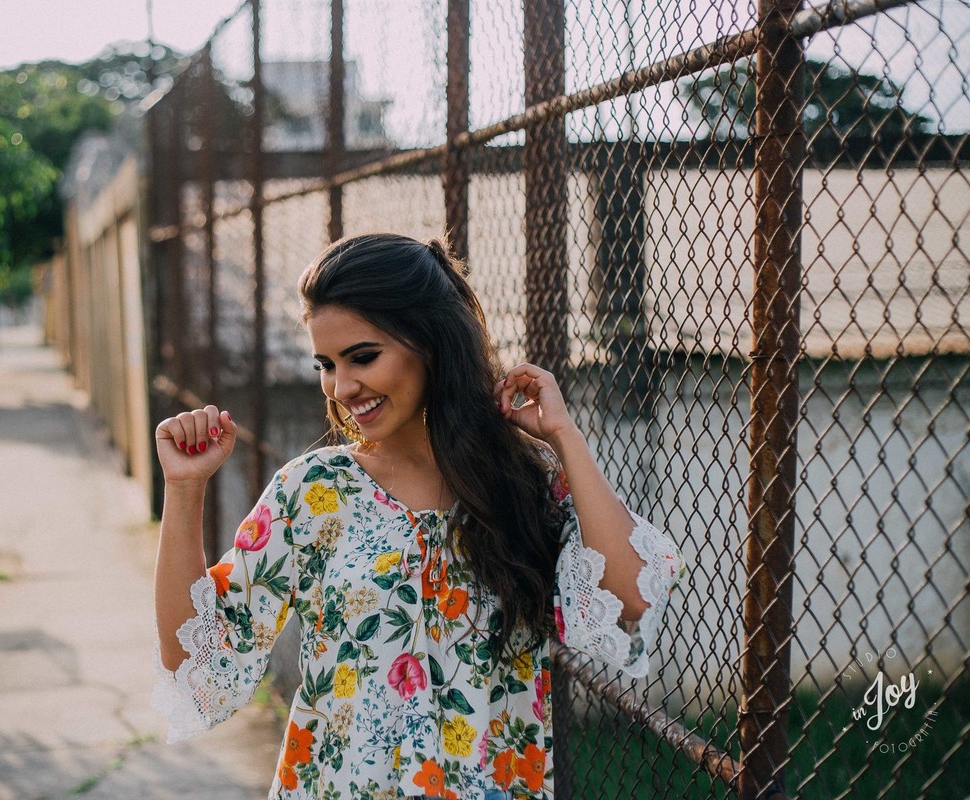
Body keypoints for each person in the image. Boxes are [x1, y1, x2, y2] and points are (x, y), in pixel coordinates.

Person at [152, 233, 686, 800]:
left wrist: (564, 436)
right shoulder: (314, 491)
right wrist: (183, 490)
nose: (342, 386)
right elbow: (193, 658)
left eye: (363, 357)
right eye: (326, 364)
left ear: (430, 342)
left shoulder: (521, 480)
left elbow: (631, 598)